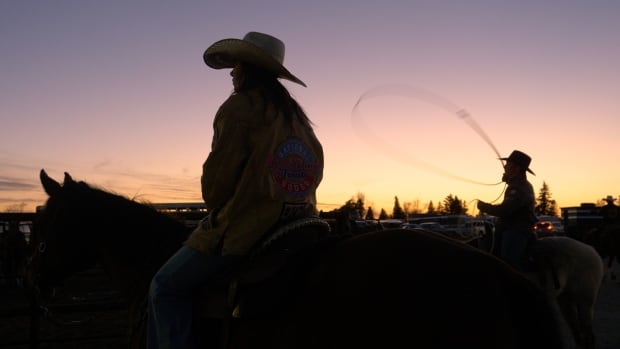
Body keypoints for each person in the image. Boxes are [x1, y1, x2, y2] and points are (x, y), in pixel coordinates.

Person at [146, 32, 324, 348]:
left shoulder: (238, 108)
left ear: (249, 68)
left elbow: (216, 188)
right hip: (299, 223)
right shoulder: (296, 117)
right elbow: (315, 169)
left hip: (249, 227)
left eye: (237, 65)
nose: (232, 72)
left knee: (164, 287)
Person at [477, 150, 538, 271]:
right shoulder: (517, 185)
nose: (505, 167)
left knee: (508, 263)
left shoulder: (519, 187)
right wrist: (510, 181)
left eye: (508, 164)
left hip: (517, 230)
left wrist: (484, 207)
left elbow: (505, 210)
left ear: (517, 168)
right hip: (511, 228)